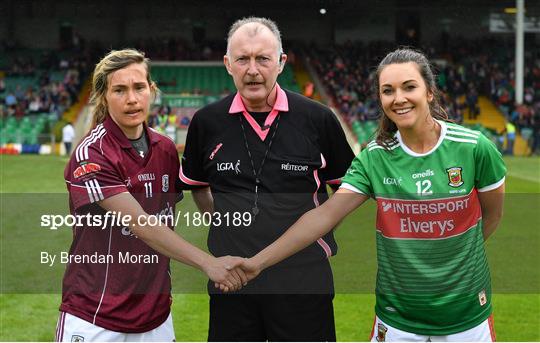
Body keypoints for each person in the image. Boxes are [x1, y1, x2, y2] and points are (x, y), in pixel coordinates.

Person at [238, 48, 506, 342]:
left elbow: (492, 215)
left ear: (429, 92)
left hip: (467, 316)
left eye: (409, 87)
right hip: (397, 319)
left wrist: (454, 259)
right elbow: (325, 215)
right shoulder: (375, 158)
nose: (398, 98)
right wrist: (257, 262)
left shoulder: (474, 148)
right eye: (387, 91)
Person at [179, 17, 354, 341]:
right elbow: (197, 185)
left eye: (263, 58)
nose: (253, 69)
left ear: (281, 62)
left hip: (304, 282)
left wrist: (312, 233)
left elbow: (346, 192)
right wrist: (227, 223)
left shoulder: (318, 119)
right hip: (232, 283)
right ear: (228, 64)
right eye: (243, 59)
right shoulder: (207, 122)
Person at [58, 49, 246, 342]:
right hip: (95, 314)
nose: (132, 99)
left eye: (139, 87)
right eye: (119, 90)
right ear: (104, 97)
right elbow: (143, 225)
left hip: (155, 315)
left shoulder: (166, 149)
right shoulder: (92, 153)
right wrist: (209, 263)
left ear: (152, 90)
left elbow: (197, 196)